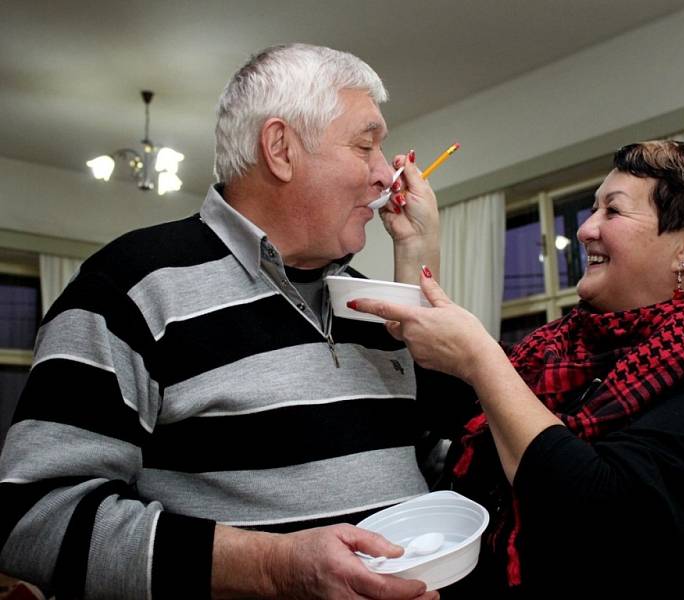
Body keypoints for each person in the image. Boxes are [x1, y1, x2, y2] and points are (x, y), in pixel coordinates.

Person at [0, 44, 451, 599]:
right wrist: (273, 568)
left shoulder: (369, 304)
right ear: (280, 149)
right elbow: (33, 521)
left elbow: (435, 457)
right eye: (366, 145)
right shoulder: (129, 286)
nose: (388, 175)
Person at [351, 141, 684, 599]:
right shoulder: (563, 347)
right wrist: (416, 245)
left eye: (613, 211)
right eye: (592, 209)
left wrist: (482, 360)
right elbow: (440, 397)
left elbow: (600, 513)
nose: (585, 229)